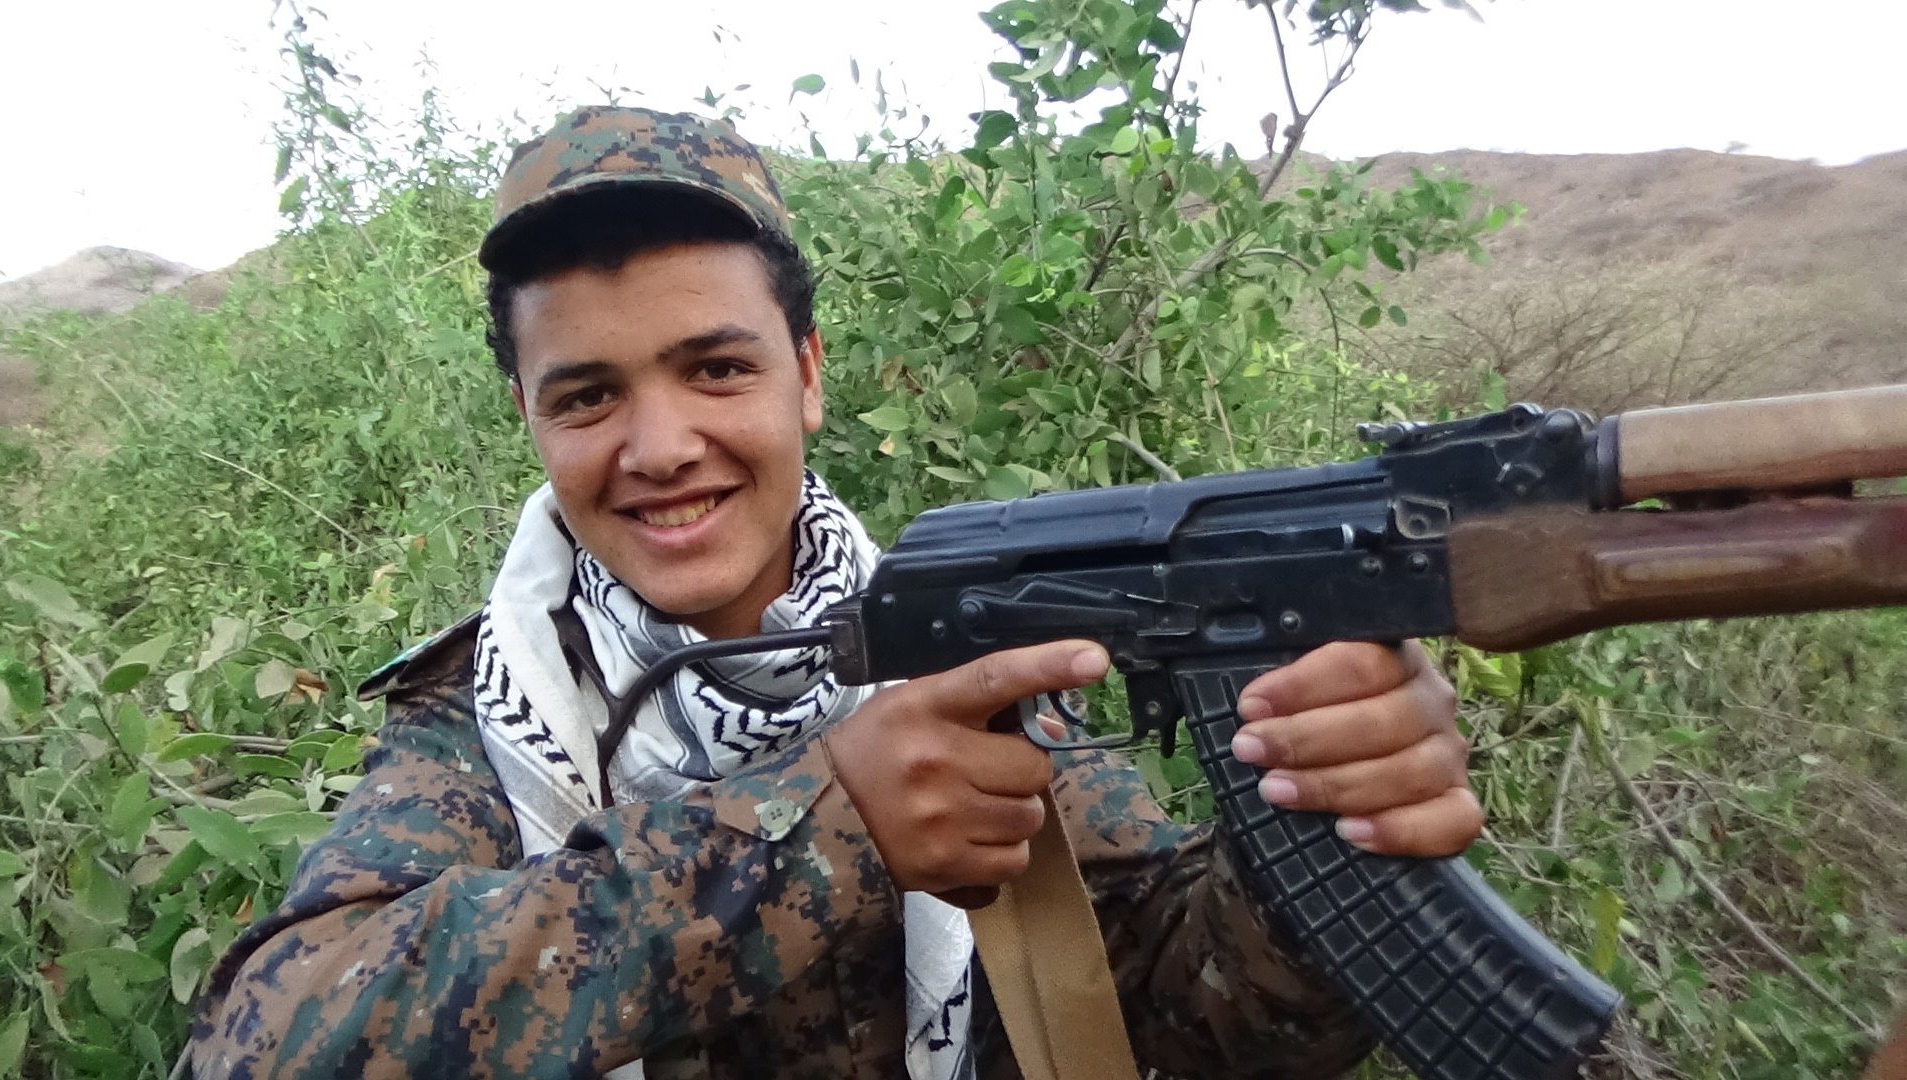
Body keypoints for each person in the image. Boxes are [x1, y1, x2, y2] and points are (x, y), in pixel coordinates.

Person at [191, 106, 1482, 1080]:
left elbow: (1176, 1011)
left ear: (806, 374)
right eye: (587, 395)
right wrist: (825, 827)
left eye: (716, 369)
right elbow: (269, 1042)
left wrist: (1328, 829)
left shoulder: (950, 648)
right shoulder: (488, 715)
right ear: (530, 416)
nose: (659, 448)